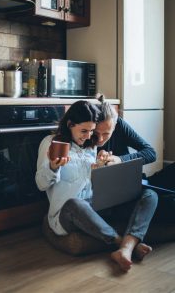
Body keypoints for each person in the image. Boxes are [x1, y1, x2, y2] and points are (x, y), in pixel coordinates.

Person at [35, 100, 158, 272]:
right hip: (69, 213)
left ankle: (125, 249)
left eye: (91, 131)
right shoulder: (50, 143)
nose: (88, 136)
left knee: (150, 195)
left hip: (96, 208)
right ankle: (124, 244)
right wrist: (53, 167)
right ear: (70, 124)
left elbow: (90, 184)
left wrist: (101, 169)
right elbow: (41, 185)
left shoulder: (90, 148)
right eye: (84, 131)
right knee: (75, 203)